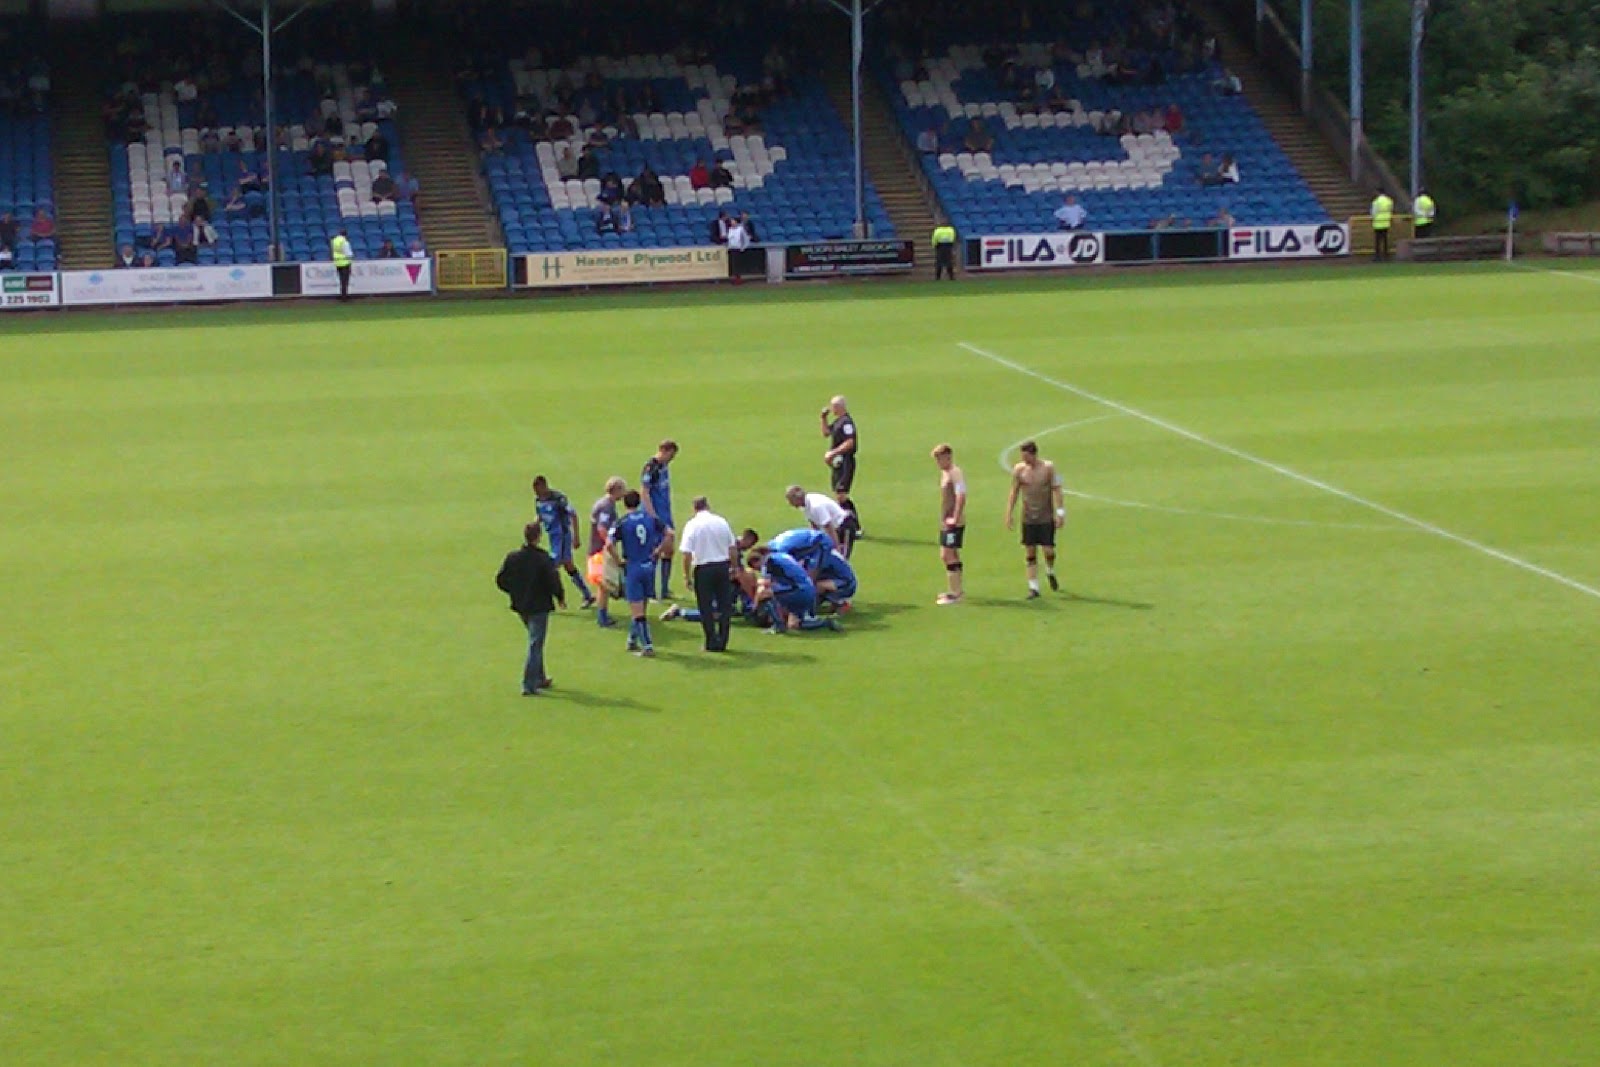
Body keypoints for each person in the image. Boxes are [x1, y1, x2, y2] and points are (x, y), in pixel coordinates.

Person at [495, 522, 566, 696]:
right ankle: (528, 683)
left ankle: (540, 677)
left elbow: (501, 580)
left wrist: (514, 592)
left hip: (521, 606)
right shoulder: (543, 558)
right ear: (538, 536)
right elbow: (553, 581)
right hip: (539, 606)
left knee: (535, 641)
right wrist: (560, 597)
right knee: (535, 644)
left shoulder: (513, 557)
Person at [608, 490, 673, 656]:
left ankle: (648, 646)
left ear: (625, 504)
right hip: (649, 566)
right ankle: (632, 640)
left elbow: (609, 544)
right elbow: (670, 534)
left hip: (634, 568)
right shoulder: (650, 518)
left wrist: (618, 561)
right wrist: (658, 551)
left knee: (637, 610)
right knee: (640, 607)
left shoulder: (621, 522)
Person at [677, 495, 740, 652]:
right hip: (722, 566)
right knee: (724, 606)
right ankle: (723, 640)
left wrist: (687, 575)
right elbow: (732, 548)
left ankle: (711, 640)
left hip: (703, 568)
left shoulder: (692, 525)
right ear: (708, 505)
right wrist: (734, 567)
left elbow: (686, 554)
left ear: (694, 508)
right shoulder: (721, 522)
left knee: (706, 607)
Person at [1004, 439, 1065, 598]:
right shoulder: (1019, 470)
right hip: (1028, 517)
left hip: (1045, 517)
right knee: (1030, 552)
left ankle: (1050, 570)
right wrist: (1009, 513)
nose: (1024, 461)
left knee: (1048, 551)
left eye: (1027, 457)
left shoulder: (1048, 468)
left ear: (1034, 454)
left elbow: (1057, 489)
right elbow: (1014, 491)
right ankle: (1034, 588)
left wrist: (1060, 513)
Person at [532, 475, 597, 607]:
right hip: (553, 537)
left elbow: (573, 514)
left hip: (562, 537)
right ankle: (587, 595)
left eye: (538, 489)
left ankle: (545, 597)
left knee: (550, 567)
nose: (536, 492)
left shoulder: (558, 499)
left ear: (544, 486)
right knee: (568, 565)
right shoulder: (538, 500)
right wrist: (535, 526)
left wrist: (576, 536)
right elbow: (540, 515)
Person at [746, 546, 840, 633]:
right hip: (809, 590)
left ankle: (778, 626)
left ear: (757, 561)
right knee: (794, 625)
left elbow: (765, 586)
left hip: (798, 591)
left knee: (766, 595)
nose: (759, 570)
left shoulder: (769, 562)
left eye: (757, 567)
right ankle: (826, 623)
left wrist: (755, 606)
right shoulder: (782, 555)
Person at [820, 395, 861, 552]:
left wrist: (833, 452)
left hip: (846, 461)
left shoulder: (847, 423)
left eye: (834, 407)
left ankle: (854, 526)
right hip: (838, 463)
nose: (832, 409)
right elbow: (826, 433)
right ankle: (851, 525)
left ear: (842, 407)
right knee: (839, 494)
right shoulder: (838, 422)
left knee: (841, 494)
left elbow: (850, 442)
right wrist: (823, 419)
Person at [640, 439, 679, 598]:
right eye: (671, 454)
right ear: (664, 450)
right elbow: (644, 492)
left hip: (666, 513)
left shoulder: (664, 467)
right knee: (655, 552)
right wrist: (652, 515)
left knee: (669, 550)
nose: (672, 458)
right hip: (656, 515)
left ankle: (664, 589)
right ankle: (650, 592)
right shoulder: (652, 467)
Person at [588, 476, 627, 628]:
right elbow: (602, 528)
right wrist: (609, 546)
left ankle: (603, 614)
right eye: (622, 490)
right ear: (616, 489)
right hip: (600, 551)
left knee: (604, 586)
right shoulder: (606, 506)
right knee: (604, 586)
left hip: (599, 549)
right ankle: (602, 617)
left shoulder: (605, 504)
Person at [932, 443, 966, 605]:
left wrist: (955, 517)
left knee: (947, 554)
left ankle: (955, 593)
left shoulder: (955, 473)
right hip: (947, 522)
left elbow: (961, 495)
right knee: (952, 554)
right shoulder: (945, 473)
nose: (938, 462)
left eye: (940, 459)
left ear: (948, 457)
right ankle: (957, 590)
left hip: (953, 523)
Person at [1371, 188, 1394, 261]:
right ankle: (1386, 255)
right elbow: (1391, 210)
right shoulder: (1389, 201)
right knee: (1385, 240)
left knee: (1378, 241)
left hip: (1378, 223)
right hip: (1386, 222)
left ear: (1378, 192)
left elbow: (1373, 212)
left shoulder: (1376, 201)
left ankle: (1378, 256)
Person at [330, 228, 353, 299]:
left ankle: (342, 294)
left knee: (341, 280)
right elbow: (348, 253)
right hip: (345, 262)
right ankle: (344, 296)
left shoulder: (334, 240)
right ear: (345, 234)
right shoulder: (344, 241)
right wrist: (351, 256)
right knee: (345, 281)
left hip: (337, 262)